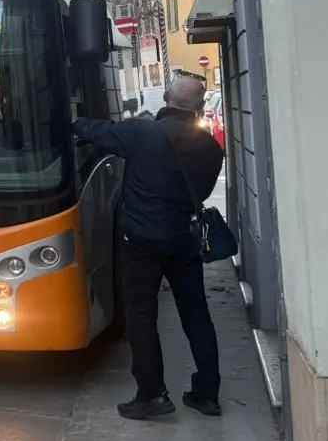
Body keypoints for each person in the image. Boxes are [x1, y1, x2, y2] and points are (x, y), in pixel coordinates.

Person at [73, 71, 225, 420]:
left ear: (167, 100)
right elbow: (199, 193)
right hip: (183, 240)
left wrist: (73, 121)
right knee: (196, 315)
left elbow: (94, 131)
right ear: (199, 107)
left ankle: (152, 394)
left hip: (141, 242)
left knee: (142, 317)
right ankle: (207, 393)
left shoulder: (142, 134)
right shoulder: (210, 147)